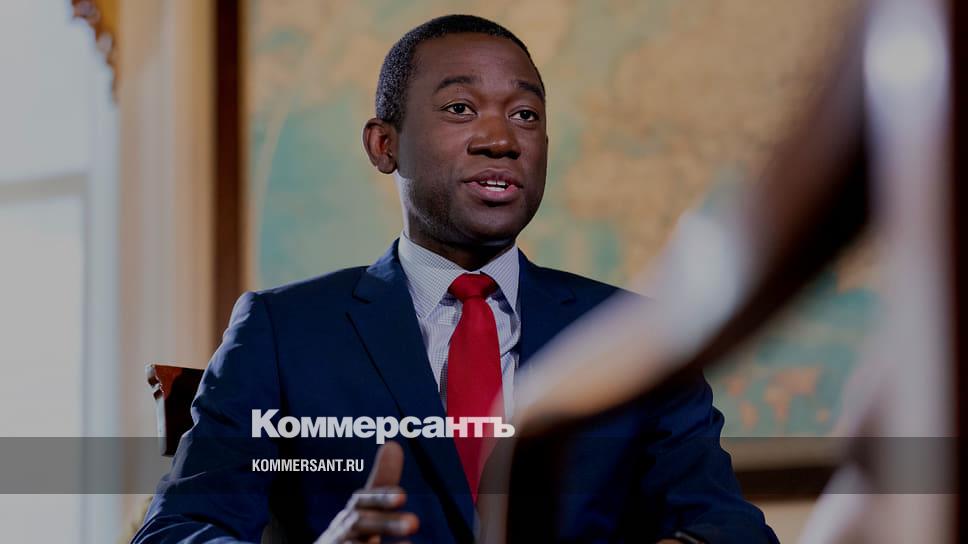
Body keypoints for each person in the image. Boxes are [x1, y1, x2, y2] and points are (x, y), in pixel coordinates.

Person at [133, 15, 778, 544]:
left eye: (525, 115)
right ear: (384, 145)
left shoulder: (637, 336)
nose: (501, 140)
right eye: (461, 108)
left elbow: (729, 527)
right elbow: (178, 532)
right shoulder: (281, 333)